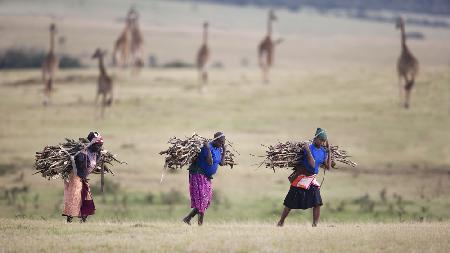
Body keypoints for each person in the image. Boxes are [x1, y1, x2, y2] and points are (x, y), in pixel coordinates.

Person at [277, 128, 332, 227]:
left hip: (311, 179)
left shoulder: (324, 151)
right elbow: (312, 164)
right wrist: (306, 149)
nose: (322, 143)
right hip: (301, 177)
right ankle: (281, 222)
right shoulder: (308, 148)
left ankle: (315, 225)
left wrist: (329, 151)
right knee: (290, 203)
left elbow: (328, 167)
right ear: (315, 138)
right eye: (321, 140)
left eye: (324, 141)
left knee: (317, 202)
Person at [183, 132, 226, 226]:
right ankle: (200, 225)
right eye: (221, 142)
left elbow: (222, 163)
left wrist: (224, 151)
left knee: (206, 200)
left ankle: (187, 218)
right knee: (202, 199)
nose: (222, 144)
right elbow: (210, 162)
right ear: (216, 140)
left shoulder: (219, 148)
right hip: (198, 174)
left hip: (206, 177)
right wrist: (207, 148)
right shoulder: (206, 147)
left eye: (224, 142)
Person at [62, 131, 103, 223]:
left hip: (83, 177)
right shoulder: (81, 153)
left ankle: (83, 218)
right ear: (91, 144)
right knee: (75, 196)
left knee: (87, 196)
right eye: (97, 145)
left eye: (100, 145)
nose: (99, 147)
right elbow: (81, 166)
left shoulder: (97, 154)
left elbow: (93, 164)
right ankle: (69, 219)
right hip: (76, 176)